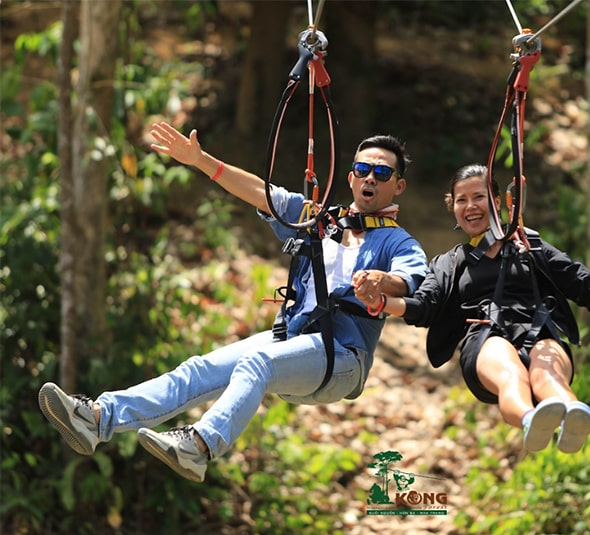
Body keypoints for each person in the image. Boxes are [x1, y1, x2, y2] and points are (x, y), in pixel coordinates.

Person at [38, 123, 427, 482]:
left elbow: (412, 281)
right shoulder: (319, 219)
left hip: (341, 357)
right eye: (363, 169)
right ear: (351, 177)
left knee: (258, 363)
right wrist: (200, 160)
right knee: (198, 370)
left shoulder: (398, 242)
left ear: (399, 186)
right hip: (293, 342)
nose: (370, 178)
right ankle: (97, 418)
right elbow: (260, 192)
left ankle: (199, 446)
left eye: (382, 173)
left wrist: (382, 282)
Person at [353, 164, 590, 454]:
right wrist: (381, 303)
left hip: (539, 328)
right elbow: (423, 307)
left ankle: (573, 414)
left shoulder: (529, 245)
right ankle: (532, 420)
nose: (470, 206)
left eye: (479, 197)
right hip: (485, 336)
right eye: (461, 200)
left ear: (497, 201)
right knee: (511, 373)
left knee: (548, 374)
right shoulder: (451, 263)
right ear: (452, 207)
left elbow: (586, 286)